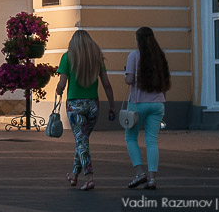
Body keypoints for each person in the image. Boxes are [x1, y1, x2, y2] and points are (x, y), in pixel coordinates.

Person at [54, 30, 117, 191]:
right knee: (82, 141)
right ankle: (74, 174)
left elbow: (62, 83)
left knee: (81, 141)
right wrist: (112, 105)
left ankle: (89, 177)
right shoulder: (97, 58)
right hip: (93, 105)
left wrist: (58, 91)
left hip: (74, 105)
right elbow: (107, 84)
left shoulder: (67, 57)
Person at [124, 26, 171, 191]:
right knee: (152, 141)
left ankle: (139, 173)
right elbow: (165, 81)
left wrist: (125, 74)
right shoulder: (160, 57)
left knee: (131, 137)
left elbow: (130, 80)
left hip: (137, 104)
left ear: (138, 40)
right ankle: (152, 179)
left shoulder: (134, 56)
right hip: (158, 103)